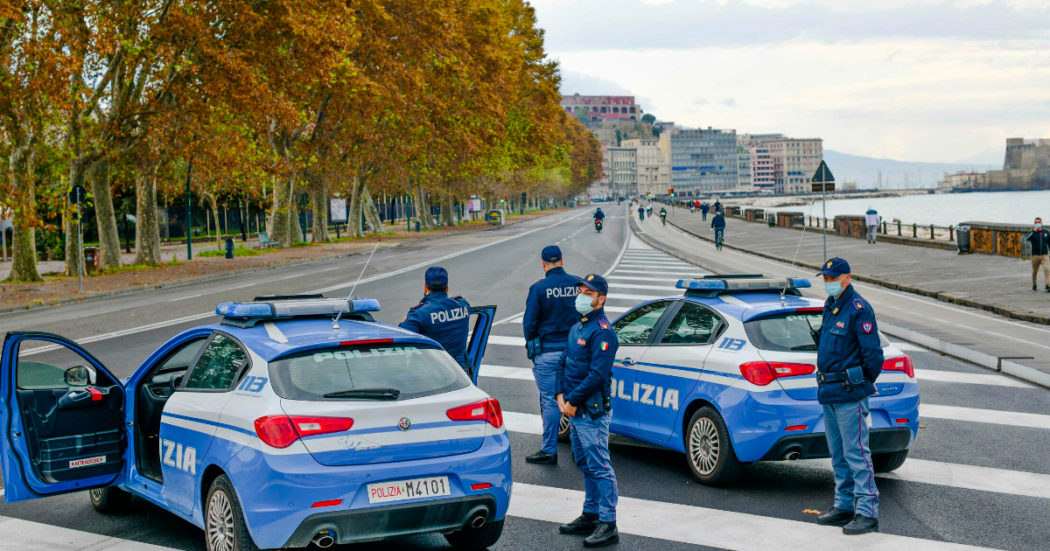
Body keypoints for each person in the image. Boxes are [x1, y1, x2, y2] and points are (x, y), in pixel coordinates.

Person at [813, 258, 884, 536]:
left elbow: (873, 355)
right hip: (828, 390)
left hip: (848, 392)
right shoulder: (831, 305)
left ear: (847, 278)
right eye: (825, 278)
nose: (827, 282)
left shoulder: (858, 309)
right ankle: (843, 505)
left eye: (832, 278)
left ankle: (867, 511)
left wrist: (860, 383)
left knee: (857, 453)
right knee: (838, 453)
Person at [556, 274, 619, 548]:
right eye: (580, 291)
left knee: (600, 466)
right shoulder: (577, 327)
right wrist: (559, 394)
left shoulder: (603, 332)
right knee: (584, 463)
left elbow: (597, 375)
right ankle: (591, 513)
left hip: (591, 411)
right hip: (574, 409)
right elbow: (563, 362)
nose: (581, 296)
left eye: (587, 293)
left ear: (600, 299)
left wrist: (572, 400)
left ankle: (609, 522)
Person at [522, 245, 582, 465]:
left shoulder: (538, 288)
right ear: (562, 261)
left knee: (549, 401)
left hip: (548, 352)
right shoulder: (577, 284)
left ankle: (549, 451)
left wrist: (532, 343)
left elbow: (529, 324)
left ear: (543, 264)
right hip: (575, 352)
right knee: (575, 398)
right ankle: (578, 450)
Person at [399, 266, 471, 371]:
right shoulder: (463, 305)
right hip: (460, 373)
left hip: (434, 374)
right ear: (447, 288)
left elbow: (402, 339)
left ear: (425, 288)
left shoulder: (418, 314)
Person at [1026, 217, 1050, 292]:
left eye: (1039, 222)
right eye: (1036, 223)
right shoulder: (1032, 232)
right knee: (1035, 271)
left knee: (1047, 270)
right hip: (1035, 255)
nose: (1037, 224)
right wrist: (1034, 231)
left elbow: (1049, 242)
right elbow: (1027, 238)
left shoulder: (1046, 232)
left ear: (1041, 223)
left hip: (1044, 255)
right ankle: (1034, 285)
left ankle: (1048, 285)